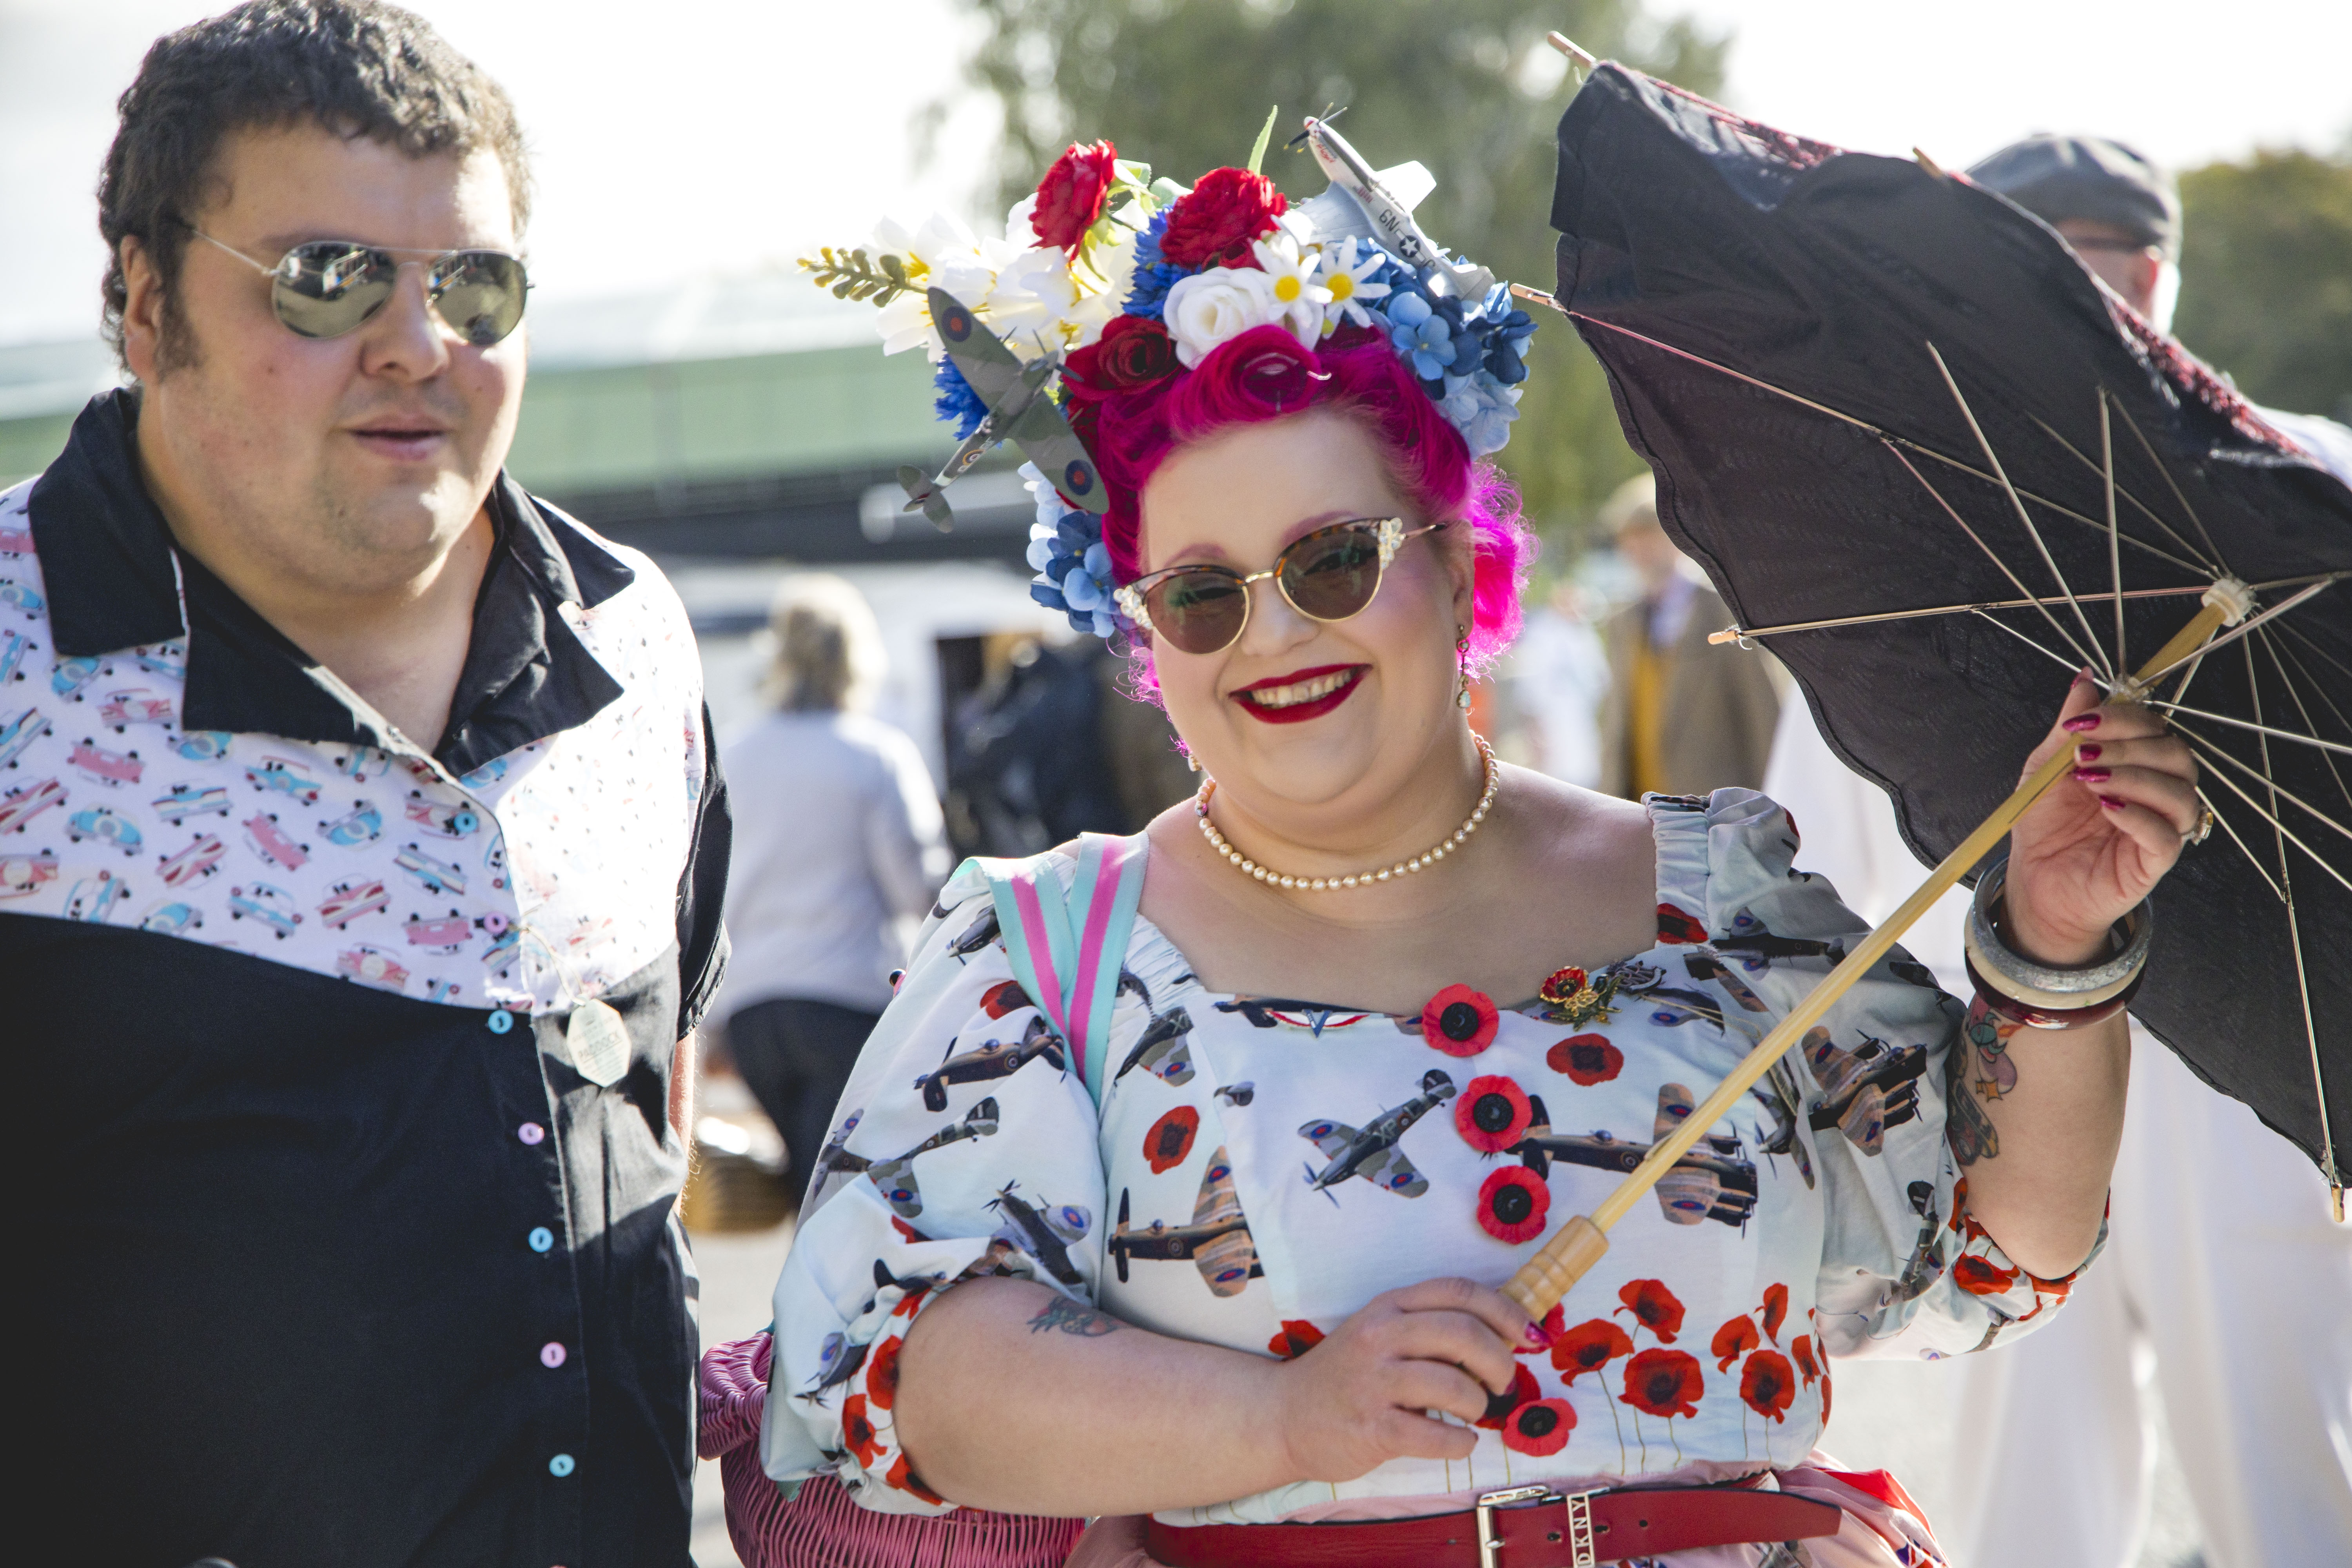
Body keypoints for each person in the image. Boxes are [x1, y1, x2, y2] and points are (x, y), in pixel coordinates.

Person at [699, 129, 2201, 1568]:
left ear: (1463, 550)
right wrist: (1282, 1417)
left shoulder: (1716, 900)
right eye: (1200, 594)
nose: (1271, 634)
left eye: (1331, 560)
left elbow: (1999, 1246)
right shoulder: (1046, 956)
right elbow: (898, 1371)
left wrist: (2054, 946)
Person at [0, 5, 729, 1563]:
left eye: (476, 285)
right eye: (328, 279)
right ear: (146, 304)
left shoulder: (636, 643)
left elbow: (656, 1115)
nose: (418, 344)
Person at [1897, 132, 2352, 1568]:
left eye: (2061, 278)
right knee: (2027, 1493)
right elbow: (1849, 830)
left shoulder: (2314, 487)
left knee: (2284, 1470)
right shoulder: (1927, 511)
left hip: (2255, 1065)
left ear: (2146, 280)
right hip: (2011, 1053)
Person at [718, 573, 950, 1205]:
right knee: (849, 1203)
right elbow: (919, 893)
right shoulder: (875, 754)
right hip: (847, 1002)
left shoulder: (734, 755)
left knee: (807, 1192)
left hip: (754, 1010)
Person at [1596, 472, 1782, 799]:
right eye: (1629, 537)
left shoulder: (1726, 611)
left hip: (1716, 812)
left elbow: (1764, 715)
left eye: (1646, 533)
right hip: (1640, 813)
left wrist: (1772, 807)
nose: (1636, 548)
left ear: (1676, 535)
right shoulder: (1623, 624)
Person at [1504, 578, 1609, 789]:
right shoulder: (1541, 632)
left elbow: (1600, 680)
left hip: (1581, 722)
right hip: (1549, 723)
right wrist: (1534, 726)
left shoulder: (1584, 635)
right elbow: (1530, 684)